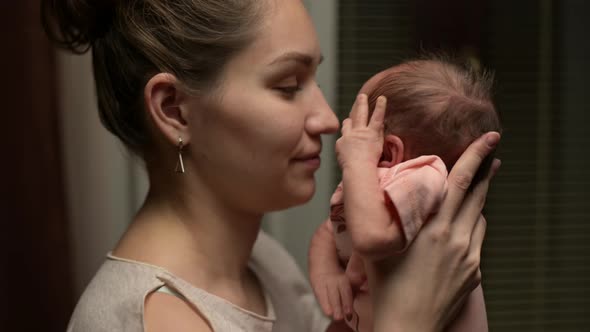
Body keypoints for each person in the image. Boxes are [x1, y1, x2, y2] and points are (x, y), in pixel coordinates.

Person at [41, 0, 501, 331]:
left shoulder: (265, 264)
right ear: (174, 109)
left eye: (314, 79)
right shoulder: (154, 319)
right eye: (287, 84)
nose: (325, 119)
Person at [308, 59, 501, 332]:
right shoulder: (371, 190)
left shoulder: (423, 177)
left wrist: (358, 162)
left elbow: (372, 237)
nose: (343, 138)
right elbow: (328, 232)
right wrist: (328, 272)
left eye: (355, 130)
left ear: (388, 152)